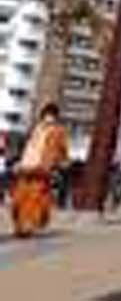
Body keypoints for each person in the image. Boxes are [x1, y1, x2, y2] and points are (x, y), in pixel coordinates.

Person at [9, 102, 69, 238]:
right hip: (26, 166)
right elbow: (28, 147)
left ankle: (28, 226)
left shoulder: (58, 132)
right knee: (19, 198)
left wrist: (56, 164)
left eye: (51, 116)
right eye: (47, 115)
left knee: (35, 198)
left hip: (41, 168)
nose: (49, 118)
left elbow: (61, 150)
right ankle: (20, 225)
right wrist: (20, 162)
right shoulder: (36, 129)